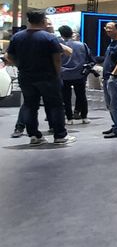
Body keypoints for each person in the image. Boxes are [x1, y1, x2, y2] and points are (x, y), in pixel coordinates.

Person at [5, 9, 75, 145]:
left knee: (30, 105)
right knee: (55, 106)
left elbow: (9, 56)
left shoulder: (17, 37)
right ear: (43, 20)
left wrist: (20, 65)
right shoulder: (49, 37)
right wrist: (57, 74)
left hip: (26, 76)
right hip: (48, 76)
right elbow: (57, 59)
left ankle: (34, 136)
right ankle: (60, 135)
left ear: (28, 20)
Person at [58, 25, 94, 125]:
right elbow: (90, 58)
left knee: (66, 98)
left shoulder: (60, 46)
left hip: (64, 74)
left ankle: (69, 118)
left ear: (61, 35)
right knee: (81, 96)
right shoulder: (82, 45)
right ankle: (84, 117)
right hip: (80, 74)